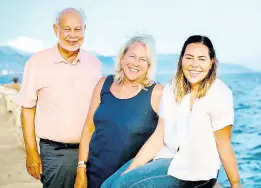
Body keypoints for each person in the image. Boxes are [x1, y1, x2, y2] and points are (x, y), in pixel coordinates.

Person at [103, 35, 242, 188]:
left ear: (211, 62)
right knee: (108, 185)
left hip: (195, 170)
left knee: (121, 186)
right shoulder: (172, 88)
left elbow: (224, 144)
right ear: (181, 60)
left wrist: (236, 185)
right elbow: (159, 135)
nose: (194, 64)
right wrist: (132, 167)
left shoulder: (219, 93)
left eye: (201, 59)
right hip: (167, 158)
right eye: (189, 58)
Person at [18, 8, 102, 188]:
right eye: (67, 29)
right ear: (56, 29)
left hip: (91, 153)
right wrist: (31, 152)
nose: (73, 35)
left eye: (77, 29)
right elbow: (27, 109)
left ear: (84, 29)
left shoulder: (95, 64)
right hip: (55, 154)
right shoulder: (37, 62)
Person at [74, 35, 163, 188]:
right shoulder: (104, 84)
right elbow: (88, 129)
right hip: (93, 175)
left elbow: (166, 137)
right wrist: (81, 169)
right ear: (122, 58)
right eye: (132, 56)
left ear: (149, 65)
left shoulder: (157, 93)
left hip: (129, 180)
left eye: (143, 59)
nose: (135, 63)